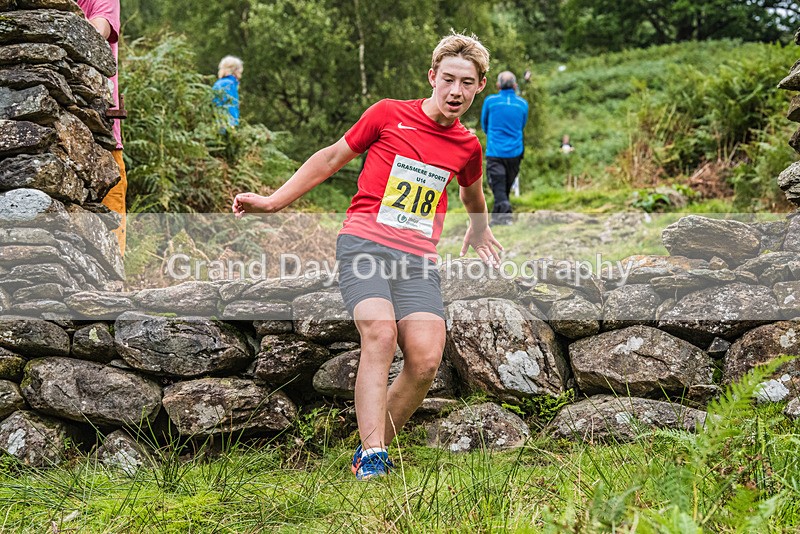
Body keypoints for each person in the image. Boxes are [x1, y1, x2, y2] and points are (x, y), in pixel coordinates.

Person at [232, 32, 502, 480]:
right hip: (364, 243)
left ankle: (368, 450)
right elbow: (330, 158)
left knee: (426, 359)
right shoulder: (388, 114)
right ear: (432, 77)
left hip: (417, 258)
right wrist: (274, 201)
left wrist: (479, 228)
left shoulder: (467, 146)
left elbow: (471, 193)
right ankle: (374, 455)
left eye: (467, 83)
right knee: (380, 333)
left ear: (480, 86)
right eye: (448, 79)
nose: (456, 91)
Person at [76, 0, 126, 255]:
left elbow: (97, 32)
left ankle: (113, 279)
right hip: (49, 132)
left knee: (110, 227)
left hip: (103, 138)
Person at [480, 71, 528, 226]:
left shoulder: (490, 102)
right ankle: (498, 218)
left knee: (499, 186)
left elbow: (484, 125)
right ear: (515, 86)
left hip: (495, 150)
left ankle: (505, 216)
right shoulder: (522, 104)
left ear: (498, 85)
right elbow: (522, 125)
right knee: (504, 186)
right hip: (515, 151)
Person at [213, 56, 243, 128]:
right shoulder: (228, 84)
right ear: (236, 70)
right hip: (225, 126)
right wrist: (232, 125)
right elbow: (229, 105)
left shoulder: (220, 83)